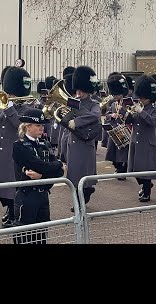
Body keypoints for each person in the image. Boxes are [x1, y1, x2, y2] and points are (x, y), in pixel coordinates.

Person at [0, 65, 34, 227]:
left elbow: (21, 127)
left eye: (12, 93)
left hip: (14, 153)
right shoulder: (4, 105)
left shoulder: (28, 108)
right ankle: (8, 208)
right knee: (0, 187)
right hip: (0, 152)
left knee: (12, 187)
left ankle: (13, 212)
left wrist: (10, 109)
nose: (10, 95)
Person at [11, 107, 64, 244]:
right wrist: (57, 164)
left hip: (43, 194)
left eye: (42, 125)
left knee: (41, 236)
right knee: (24, 234)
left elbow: (59, 172)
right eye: (38, 125)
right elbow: (41, 165)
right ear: (28, 127)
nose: (42, 128)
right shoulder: (19, 146)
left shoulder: (45, 143)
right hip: (27, 196)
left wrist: (43, 177)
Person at [61, 65, 101, 207]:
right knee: (73, 176)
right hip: (71, 144)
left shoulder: (93, 104)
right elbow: (64, 118)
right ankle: (78, 200)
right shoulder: (72, 101)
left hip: (85, 144)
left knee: (84, 175)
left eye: (82, 90)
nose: (79, 93)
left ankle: (84, 195)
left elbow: (95, 115)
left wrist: (77, 121)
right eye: (78, 90)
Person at [125, 74, 156, 202]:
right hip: (136, 142)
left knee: (146, 172)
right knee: (135, 170)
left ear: (149, 98)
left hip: (147, 143)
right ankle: (146, 186)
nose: (141, 99)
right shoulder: (137, 108)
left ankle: (147, 192)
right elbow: (128, 122)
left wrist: (141, 112)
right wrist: (128, 113)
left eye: (143, 98)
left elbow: (154, 122)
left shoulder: (155, 110)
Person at [104, 73, 130, 179]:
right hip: (115, 130)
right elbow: (106, 115)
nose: (115, 96)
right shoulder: (113, 104)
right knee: (113, 152)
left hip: (124, 130)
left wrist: (122, 111)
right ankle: (118, 167)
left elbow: (131, 116)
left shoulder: (127, 102)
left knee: (123, 154)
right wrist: (111, 115)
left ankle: (122, 171)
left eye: (116, 95)